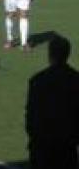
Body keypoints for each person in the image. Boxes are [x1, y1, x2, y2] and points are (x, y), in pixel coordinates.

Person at [26, 35, 79, 169]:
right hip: (67, 149)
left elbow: (30, 116)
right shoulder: (75, 80)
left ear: (50, 55)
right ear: (68, 54)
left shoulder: (37, 80)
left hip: (41, 148)